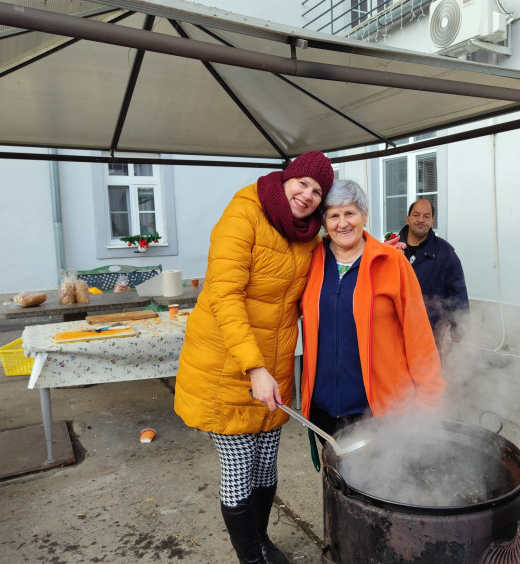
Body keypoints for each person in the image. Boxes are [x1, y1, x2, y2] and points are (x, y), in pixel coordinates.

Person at [174, 151, 334, 564]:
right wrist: (255, 367)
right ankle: (251, 558)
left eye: (318, 191)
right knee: (239, 468)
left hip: (273, 367)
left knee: (266, 464)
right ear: (286, 179)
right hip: (226, 365)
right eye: (303, 183)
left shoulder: (308, 236)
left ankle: (260, 543)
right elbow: (225, 297)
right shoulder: (243, 214)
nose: (308, 195)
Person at [300, 180, 446, 438]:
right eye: (333, 215)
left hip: (380, 411)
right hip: (323, 410)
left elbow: (419, 335)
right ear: (324, 223)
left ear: (365, 215)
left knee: (382, 478)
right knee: (337, 477)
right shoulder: (311, 261)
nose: (342, 223)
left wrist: (430, 399)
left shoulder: (392, 262)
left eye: (350, 213)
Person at [397, 199, 469, 347]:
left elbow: (456, 290)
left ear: (432, 221)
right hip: (394, 326)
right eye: (416, 215)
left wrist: (459, 327)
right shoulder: (391, 248)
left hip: (431, 329)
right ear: (408, 218)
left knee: (429, 368)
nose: (420, 220)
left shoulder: (445, 252)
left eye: (426, 216)